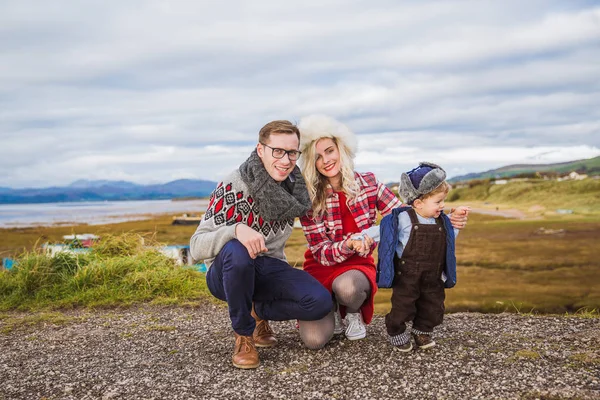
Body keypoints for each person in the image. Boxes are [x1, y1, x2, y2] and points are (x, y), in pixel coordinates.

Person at [297, 115, 468, 349]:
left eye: (329, 150)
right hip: (321, 267)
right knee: (314, 340)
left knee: (347, 289)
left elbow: (407, 216)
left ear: (341, 148)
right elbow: (320, 250)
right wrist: (348, 244)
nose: (326, 160)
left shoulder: (368, 183)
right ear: (309, 161)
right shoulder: (308, 197)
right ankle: (332, 307)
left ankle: (352, 312)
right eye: (317, 157)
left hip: (355, 269)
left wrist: (448, 218)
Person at [190, 120, 332, 369]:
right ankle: (244, 335)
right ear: (260, 150)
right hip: (226, 274)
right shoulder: (234, 185)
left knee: (319, 301)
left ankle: (256, 311)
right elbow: (196, 246)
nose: (286, 160)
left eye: (292, 152)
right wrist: (236, 230)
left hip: (265, 269)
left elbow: (276, 251)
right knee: (238, 250)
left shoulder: (294, 192)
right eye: (277, 151)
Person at [352, 162, 469, 352]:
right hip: (407, 276)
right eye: (438, 202)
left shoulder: (442, 220)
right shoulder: (404, 219)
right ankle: (396, 330)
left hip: (433, 275)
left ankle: (422, 331)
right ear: (418, 203)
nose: (443, 206)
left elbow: (449, 241)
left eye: (443, 201)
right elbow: (380, 230)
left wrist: (455, 225)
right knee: (403, 306)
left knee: (433, 307)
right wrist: (359, 237)